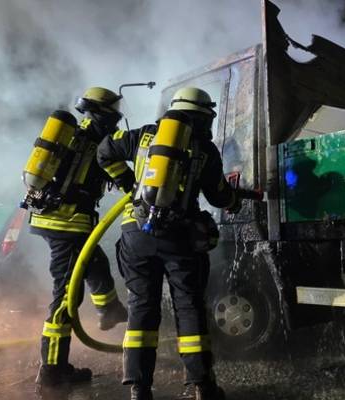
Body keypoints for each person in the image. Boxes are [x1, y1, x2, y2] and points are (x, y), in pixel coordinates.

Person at [97, 87, 240, 400]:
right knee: (188, 306)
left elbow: (103, 151)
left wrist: (128, 183)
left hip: (135, 233)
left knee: (141, 306)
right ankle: (203, 386)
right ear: (202, 117)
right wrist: (234, 200)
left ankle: (139, 388)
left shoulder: (142, 135)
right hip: (179, 237)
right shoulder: (205, 148)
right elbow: (219, 195)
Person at [30, 87, 128, 388]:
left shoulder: (74, 136)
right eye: (113, 111)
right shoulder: (99, 142)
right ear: (103, 113)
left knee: (95, 262)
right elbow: (125, 179)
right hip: (68, 224)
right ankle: (53, 371)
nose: (117, 116)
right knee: (66, 297)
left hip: (54, 220)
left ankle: (109, 310)